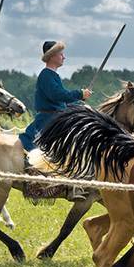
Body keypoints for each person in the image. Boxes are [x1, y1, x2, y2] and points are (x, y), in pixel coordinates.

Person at [19, 41, 91, 200]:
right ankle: (71, 185)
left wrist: (80, 104)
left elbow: (62, 101)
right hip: (49, 120)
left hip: (57, 117)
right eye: (61, 54)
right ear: (52, 57)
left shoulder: (53, 75)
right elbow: (57, 95)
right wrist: (79, 94)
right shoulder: (46, 75)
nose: (64, 57)